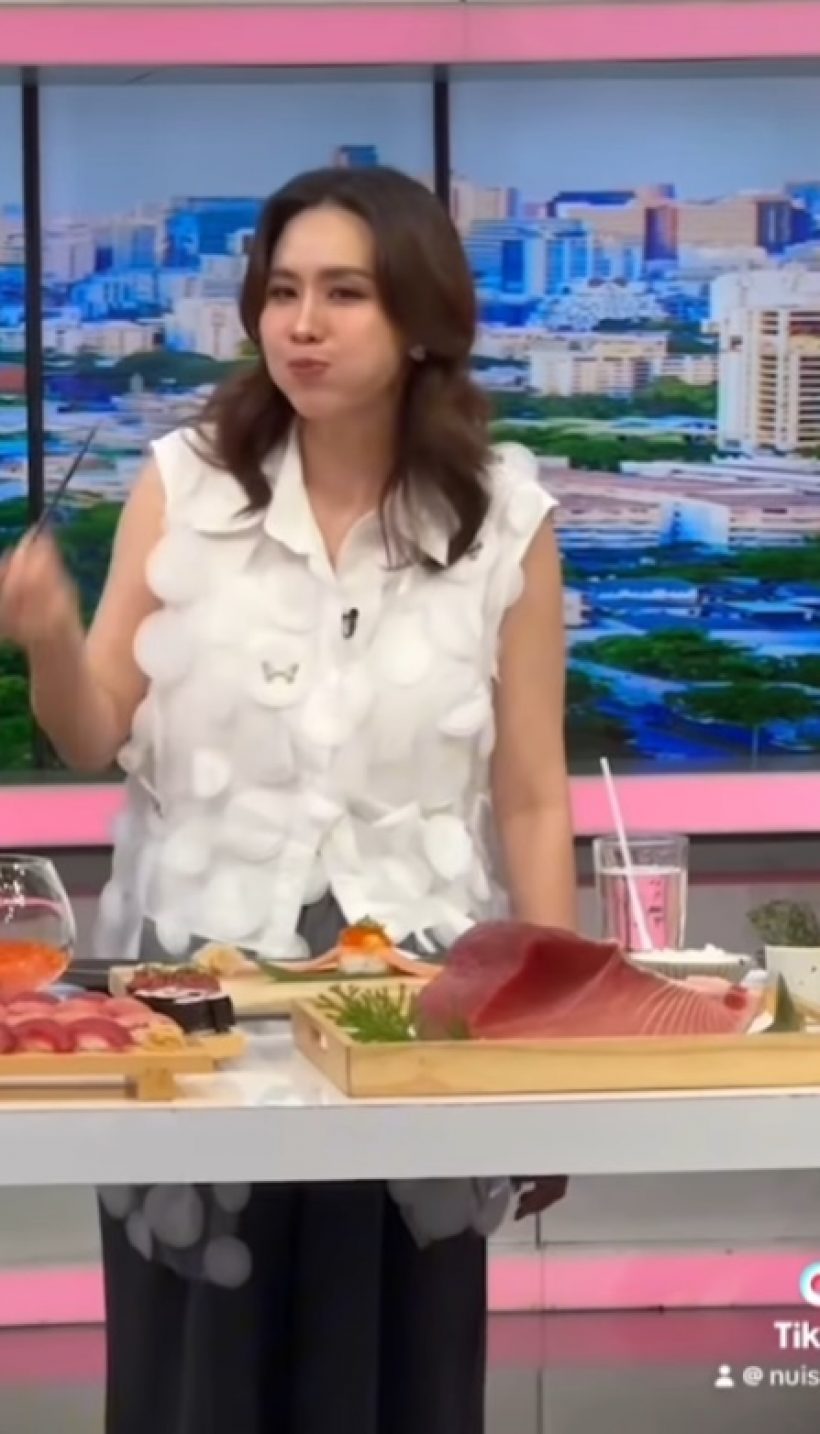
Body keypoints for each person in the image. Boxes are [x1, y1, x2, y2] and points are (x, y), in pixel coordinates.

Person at [0, 166, 575, 1434]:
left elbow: (533, 799)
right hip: (190, 1012)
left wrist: (556, 1040)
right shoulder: (184, 485)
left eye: (344, 294)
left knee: (395, 1364)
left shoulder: (503, 519)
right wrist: (46, 639)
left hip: (418, 1018)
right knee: (202, 1374)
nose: (301, 324)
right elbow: (94, 733)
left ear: (419, 319)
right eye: (282, 292)